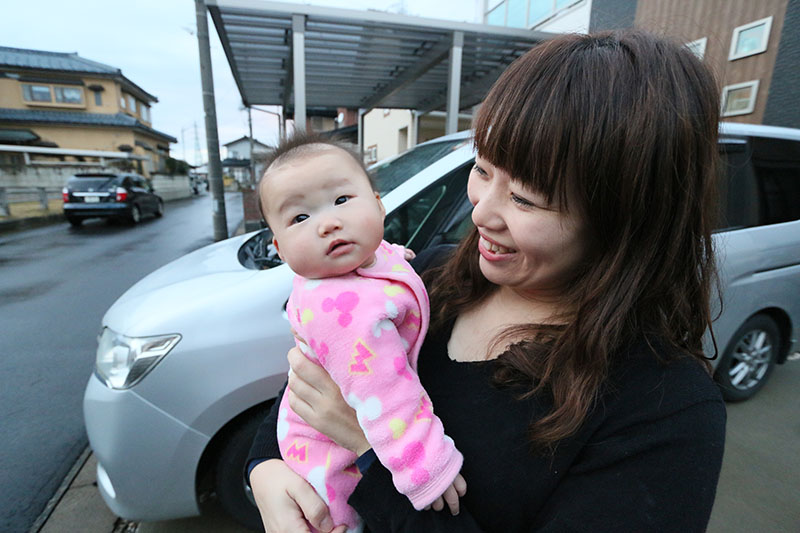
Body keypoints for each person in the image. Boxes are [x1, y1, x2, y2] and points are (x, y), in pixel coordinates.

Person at [248, 29, 727, 533]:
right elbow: (311, 381)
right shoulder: (424, 277)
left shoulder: (663, 411)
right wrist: (264, 470)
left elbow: (342, 411)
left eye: (525, 197)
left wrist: (368, 447)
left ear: (625, 216)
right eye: (482, 169)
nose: (482, 213)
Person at [255, 134, 466, 533]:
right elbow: (387, 394)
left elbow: (382, 262)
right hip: (326, 458)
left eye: (341, 200)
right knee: (335, 520)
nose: (328, 222)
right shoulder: (342, 312)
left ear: (378, 204)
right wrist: (424, 465)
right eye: (301, 217)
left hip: (322, 426)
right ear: (280, 249)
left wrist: (392, 259)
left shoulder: (369, 260)